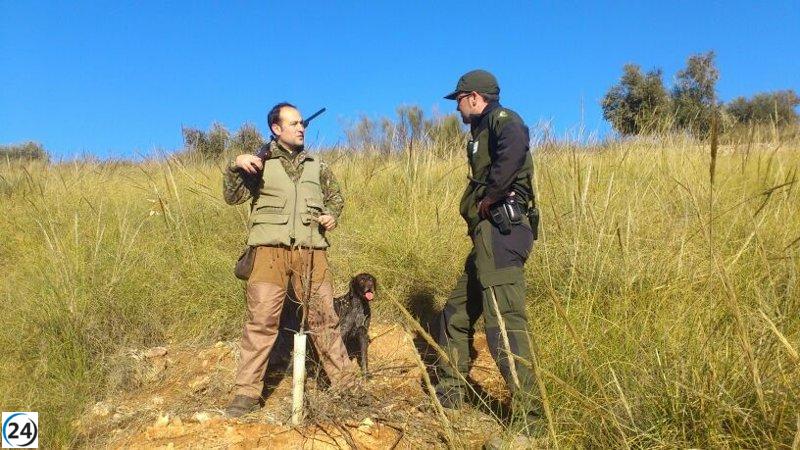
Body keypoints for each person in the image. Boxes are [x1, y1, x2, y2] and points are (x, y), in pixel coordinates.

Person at [222, 102, 356, 417]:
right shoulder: (259, 162)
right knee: (262, 322)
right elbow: (233, 196)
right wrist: (235, 164)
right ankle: (246, 394)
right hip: (268, 252)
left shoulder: (317, 164)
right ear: (276, 128)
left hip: (312, 250)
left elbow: (336, 197)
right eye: (294, 123)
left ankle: (349, 388)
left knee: (325, 319)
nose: (301, 127)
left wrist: (331, 216)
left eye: (302, 123)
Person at [435, 70, 539, 424]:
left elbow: (514, 149)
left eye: (459, 100)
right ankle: (449, 393)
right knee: (456, 312)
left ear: (475, 97)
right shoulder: (479, 132)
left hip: (501, 232)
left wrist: (490, 196)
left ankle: (531, 422)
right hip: (486, 238)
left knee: (505, 326)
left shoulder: (503, 120)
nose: (457, 108)